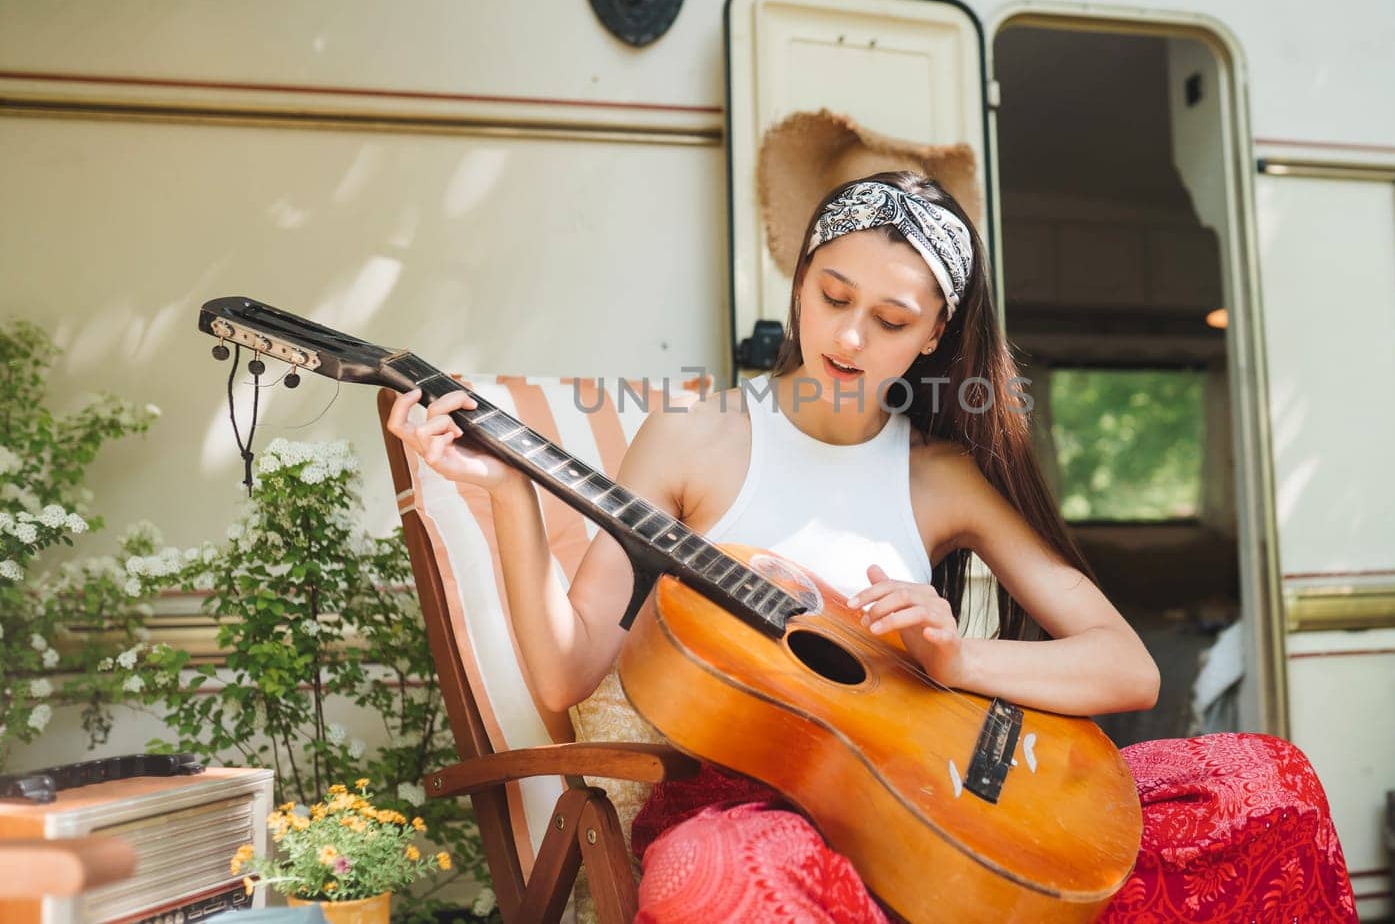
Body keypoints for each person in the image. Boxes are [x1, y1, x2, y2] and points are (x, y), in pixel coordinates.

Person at [386, 171, 1161, 921]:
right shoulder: (695, 441)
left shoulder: (943, 476)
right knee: (744, 882)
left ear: (934, 335)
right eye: (833, 295)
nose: (850, 335)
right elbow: (564, 672)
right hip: (747, 813)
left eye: (892, 320)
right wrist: (511, 492)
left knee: (1260, 780)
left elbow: (1127, 666)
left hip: (926, 814)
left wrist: (958, 661)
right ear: (799, 284)